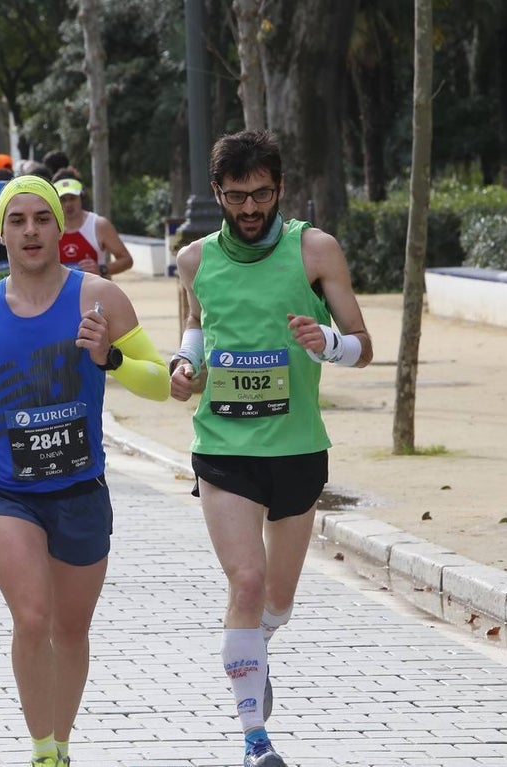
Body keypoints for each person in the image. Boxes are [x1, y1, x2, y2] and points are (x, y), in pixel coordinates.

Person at [0, 175, 169, 767]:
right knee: (32, 616)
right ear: (1, 232)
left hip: (80, 489)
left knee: (69, 629)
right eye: (17, 221)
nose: (31, 231)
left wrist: (108, 355)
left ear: (61, 227)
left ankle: (61, 744)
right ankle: (42, 751)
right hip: (6, 490)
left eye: (42, 218)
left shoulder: (100, 299)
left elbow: (160, 382)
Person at [170, 130, 374, 767]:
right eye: (237, 197)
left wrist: (326, 343)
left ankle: (254, 648)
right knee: (247, 580)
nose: (250, 208)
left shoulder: (315, 250)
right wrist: (184, 366)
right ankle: (254, 737)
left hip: (297, 449)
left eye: (261, 194)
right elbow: (195, 329)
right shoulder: (194, 260)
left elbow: (363, 344)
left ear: (280, 189)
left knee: (277, 600)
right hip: (224, 444)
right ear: (218, 195)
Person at [52, 177, 133, 278]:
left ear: (81, 198)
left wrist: (102, 269)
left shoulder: (99, 224)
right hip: (58, 293)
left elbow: (127, 260)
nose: (68, 204)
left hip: (94, 292)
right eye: (63, 200)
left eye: (72, 198)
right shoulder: (49, 227)